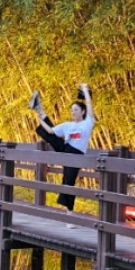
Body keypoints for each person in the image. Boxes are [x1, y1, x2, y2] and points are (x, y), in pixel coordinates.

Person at [29, 83, 95, 211]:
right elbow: (50, 131)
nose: (73, 112)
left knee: (69, 181)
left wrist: (86, 90)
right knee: (52, 136)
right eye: (71, 110)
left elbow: (89, 104)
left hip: (76, 155)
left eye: (76, 110)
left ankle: (69, 212)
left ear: (83, 112)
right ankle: (38, 108)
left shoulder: (87, 123)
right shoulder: (67, 125)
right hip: (66, 149)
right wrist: (40, 120)